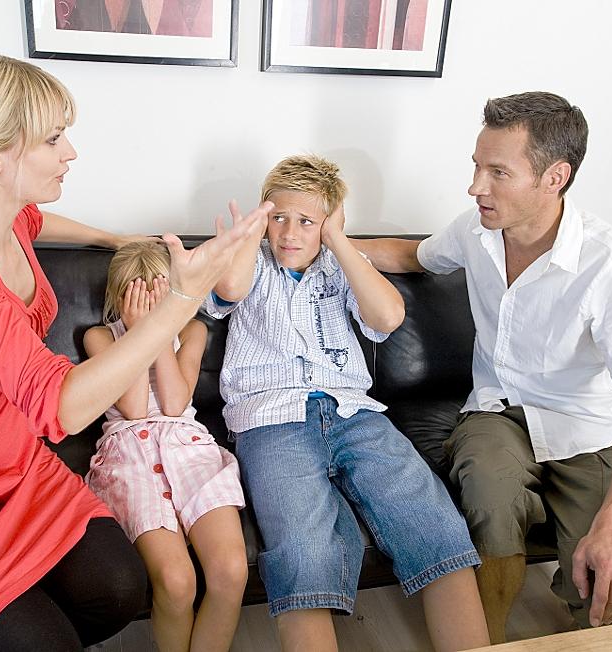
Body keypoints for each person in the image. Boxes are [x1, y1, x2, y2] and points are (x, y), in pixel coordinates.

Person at [0, 50, 269, 652]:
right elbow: (61, 407)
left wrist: (111, 237)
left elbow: (40, 221)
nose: (71, 152)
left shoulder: (5, 215)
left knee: (118, 588)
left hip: (13, 471)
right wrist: (182, 296)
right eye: (54, 138)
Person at [354, 91, 612, 643]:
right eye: (476, 166)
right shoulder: (475, 229)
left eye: (497, 171)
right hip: (496, 413)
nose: (475, 186)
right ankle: (489, 639)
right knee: (489, 495)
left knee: (603, 577)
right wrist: (316, 239)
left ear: (555, 177)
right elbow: (413, 255)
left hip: (588, 429)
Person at [204, 154, 490, 652]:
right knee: (303, 548)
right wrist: (250, 232)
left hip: (354, 414)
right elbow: (228, 289)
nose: (290, 233)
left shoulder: (341, 267)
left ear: (331, 225)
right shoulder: (248, 261)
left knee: (434, 522)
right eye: (279, 218)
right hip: (271, 420)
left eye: (307, 222)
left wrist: (339, 241)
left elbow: (388, 317)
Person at [84, 240, 247, 652]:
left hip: (187, 444)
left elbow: (175, 404)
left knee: (231, 569)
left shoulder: (192, 330)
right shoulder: (100, 337)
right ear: (119, 298)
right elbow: (135, 409)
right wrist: (140, 332)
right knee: (177, 581)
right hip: (129, 449)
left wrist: (161, 330)